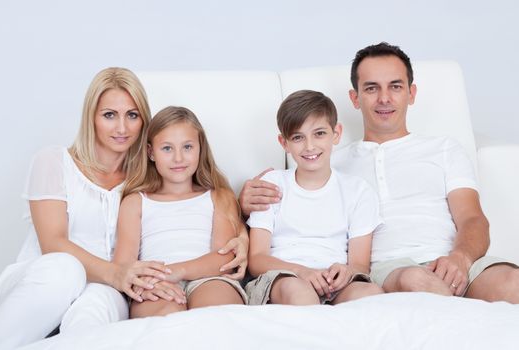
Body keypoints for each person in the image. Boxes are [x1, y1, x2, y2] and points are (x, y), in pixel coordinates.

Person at [240, 43, 519, 303]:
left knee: (512, 282)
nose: (384, 98)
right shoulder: (329, 159)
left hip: (455, 260)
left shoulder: (445, 149)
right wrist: (243, 202)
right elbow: (286, 195)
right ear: (355, 98)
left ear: (411, 93)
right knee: (416, 281)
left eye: (395, 86)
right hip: (394, 268)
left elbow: (473, 218)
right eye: (371, 88)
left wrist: (461, 258)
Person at [0, 68, 247, 350]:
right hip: (48, 280)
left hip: (112, 284)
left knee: (96, 311)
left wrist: (244, 232)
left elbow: (210, 213)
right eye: (109, 115)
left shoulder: (144, 182)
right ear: (91, 117)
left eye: (132, 115)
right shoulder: (54, 162)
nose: (122, 128)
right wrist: (118, 274)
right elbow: (53, 243)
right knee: (65, 270)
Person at [244, 90, 383, 306]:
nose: (309, 146)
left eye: (319, 134)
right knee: (300, 292)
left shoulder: (357, 190)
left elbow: (360, 264)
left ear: (336, 134)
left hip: (334, 282)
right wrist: (302, 272)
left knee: (370, 293)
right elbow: (257, 259)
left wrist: (346, 271)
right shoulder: (272, 184)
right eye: (298, 137)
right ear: (284, 143)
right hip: (284, 277)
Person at [113, 106, 247, 318]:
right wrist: (147, 284)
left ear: (200, 148)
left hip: (209, 278)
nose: (178, 158)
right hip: (154, 284)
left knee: (216, 311)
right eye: (167, 148)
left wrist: (177, 271)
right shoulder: (135, 202)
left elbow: (223, 260)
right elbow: (123, 266)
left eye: (187, 147)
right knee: (166, 318)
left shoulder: (219, 197)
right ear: (151, 153)